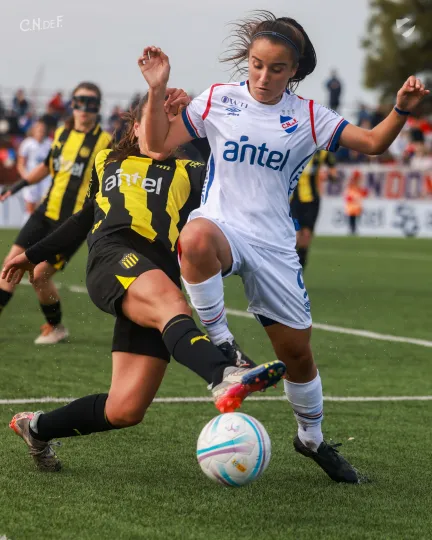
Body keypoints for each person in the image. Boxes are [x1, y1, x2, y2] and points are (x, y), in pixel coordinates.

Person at [139, 10, 429, 483]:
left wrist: (401, 108)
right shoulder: (218, 99)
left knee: (297, 357)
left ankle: (311, 438)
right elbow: (156, 144)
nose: (263, 76)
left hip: (274, 245)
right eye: (256, 65)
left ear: (294, 70)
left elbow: (374, 143)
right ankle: (224, 346)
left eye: (276, 68)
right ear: (247, 61)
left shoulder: (309, 116)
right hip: (221, 226)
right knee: (193, 238)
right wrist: (156, 90)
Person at [3, 92, 285, 472]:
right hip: (112, 258)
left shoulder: (193, 170)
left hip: (156, 277)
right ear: (136, 128)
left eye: (172, 125)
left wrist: (196, 117)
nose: (161, 130)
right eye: (153, 121)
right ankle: (223, 373)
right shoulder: (107, 160)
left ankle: (37, 428)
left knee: (125, 409)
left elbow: (226, 165)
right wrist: (33, 253)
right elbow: (85, 217)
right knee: (174, 306)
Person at [0, 82, 112, 344]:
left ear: (98, 108)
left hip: (71, 223)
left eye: (91, 103)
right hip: (44, 211)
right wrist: (18, 186)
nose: (84, 108)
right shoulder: (62, 133)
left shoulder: (105, 142)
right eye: (80, 101)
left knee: (39, 274)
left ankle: (56, 327)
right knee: (10, 264)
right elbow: (48, 165)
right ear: (72, 104)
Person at [290, 150, 337, 269]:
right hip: (294, 201)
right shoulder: (295, 149)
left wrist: (329, 175)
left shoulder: (322, 153)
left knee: (306, 235)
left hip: (312, 202)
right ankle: (287, 265)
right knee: (294, 234)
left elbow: (333, 172)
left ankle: (299, 269)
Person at [16, 120, 52, 222]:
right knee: (30, 206)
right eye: (38, 130)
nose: (41, 132)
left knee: (45, 205)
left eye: (42, 130)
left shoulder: (50, 143)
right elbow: (20, 164)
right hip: (32, 177)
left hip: (45, 179)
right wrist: (26, 178)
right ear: (34, 130)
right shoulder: (27, 144)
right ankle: (27, 226)